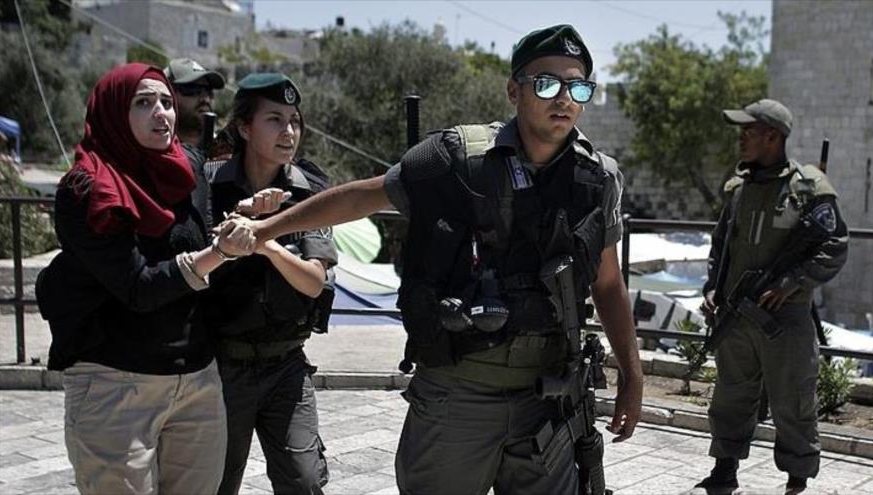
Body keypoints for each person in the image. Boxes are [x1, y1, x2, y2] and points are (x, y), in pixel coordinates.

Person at [243, 25, 643, 494]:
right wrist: (266, 230)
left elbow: (609, 283)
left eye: (578, 87)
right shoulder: (458, 159)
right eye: (546, 84)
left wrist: (632, 373)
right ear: (514, 91)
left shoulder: (598, 176)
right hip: (459, 394)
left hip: (549, 399)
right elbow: (362, 199)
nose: (564, 99)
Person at [34, 63, 254, 495]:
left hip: (196, 382)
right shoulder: (86, 189)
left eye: (167, 102)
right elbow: (138, 286)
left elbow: (198, 237)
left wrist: (241, 221)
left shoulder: (187, 167)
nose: (162, 113)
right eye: (143, 102)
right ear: (114, 111)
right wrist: (216, 254)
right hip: (115, 384)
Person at [697, 99, 848, 494]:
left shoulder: (809, 188)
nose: (742, 137)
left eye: (750, 130)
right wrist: (713, 286)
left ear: (773, 136)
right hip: (736, 316)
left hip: (785, 318)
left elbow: (834, 246)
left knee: (793, 401)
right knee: (731, 395)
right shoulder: (738, 188)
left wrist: (791, 282)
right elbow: (720, 247)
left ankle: (796, 479)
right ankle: (724, 469)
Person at [199, 73, 337, 495]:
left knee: (305, 481)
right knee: (214, 484)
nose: (289, 132)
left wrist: (263, 241)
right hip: (221, 366)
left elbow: (314, 282)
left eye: (294, 121)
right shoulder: (205, 185)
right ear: (244, 127)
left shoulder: (310, 190)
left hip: (286, 365)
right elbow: (189, 269)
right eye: (274, 120)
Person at [164, 57, 225, 148]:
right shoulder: (156, 153)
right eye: (192, 89)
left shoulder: (224, 153)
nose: (205, 99)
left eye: (208, 91)